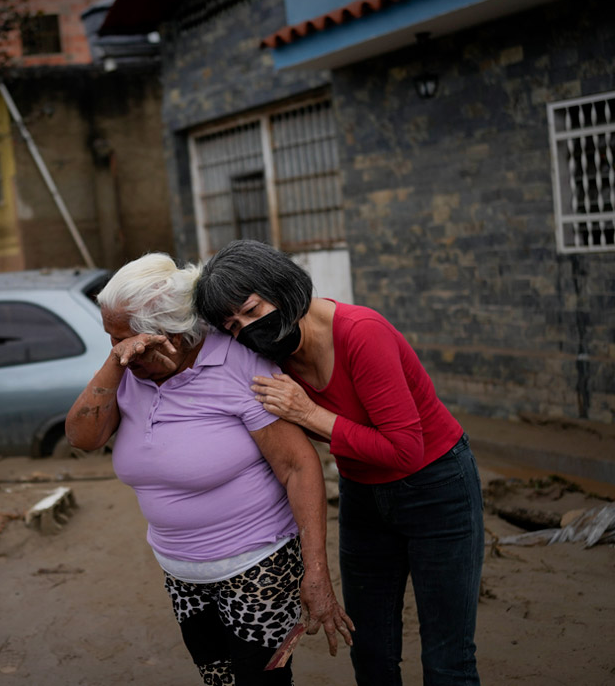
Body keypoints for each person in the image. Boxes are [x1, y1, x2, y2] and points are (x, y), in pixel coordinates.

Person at [194, 239, 485, 686]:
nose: (247, 329)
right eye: (233, 326)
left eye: (252, 310)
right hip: (362, 495)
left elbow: (404, 449)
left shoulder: (362, 332)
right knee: (369, 651)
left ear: (282, 287)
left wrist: (309, 413)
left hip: (436, 488)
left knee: (447, 658)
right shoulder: (270, 357)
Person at [66, 253, 352, 686]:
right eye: (112, 338)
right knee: (218, 678)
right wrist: (115, 361)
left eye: (123, 338)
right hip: (181, 573)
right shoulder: (127, 370)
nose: (118, 348)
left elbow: (298, 466)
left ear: (169, 332)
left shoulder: (238, 364)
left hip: (258, 565)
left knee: (261, 682)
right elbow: (82, 437)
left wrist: (316, 573)